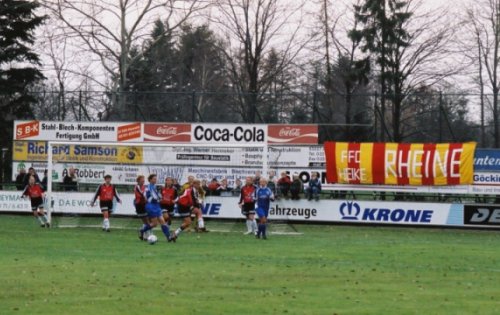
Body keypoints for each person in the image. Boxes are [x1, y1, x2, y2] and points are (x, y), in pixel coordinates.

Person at [138, 174, 172, 242]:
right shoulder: (148, 187)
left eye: (156, 179)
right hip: (151, 206)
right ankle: (142, 230)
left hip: (156, 205)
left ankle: (168, 237)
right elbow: (152, 197)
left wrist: (160, 196)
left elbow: (159, 196)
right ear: (150, 180)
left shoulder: (155, 186)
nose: (155, 180)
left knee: (162, 221)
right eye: (154, 179)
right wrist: (159, 197)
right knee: (154, 224)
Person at [134, 175, 149, 239]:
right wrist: (145, 197)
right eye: (142, 179)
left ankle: (144, 234)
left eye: (144, 179)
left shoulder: (144, 187)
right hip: (139, 205)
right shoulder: (136, 187)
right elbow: (141, 194)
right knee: (146, 221)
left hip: (144, 205)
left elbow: (146, 193)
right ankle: (143, 232)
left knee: (147, 221)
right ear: (138, 180)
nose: (143, 180)